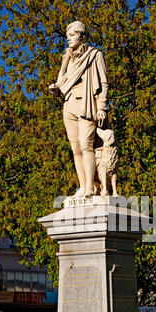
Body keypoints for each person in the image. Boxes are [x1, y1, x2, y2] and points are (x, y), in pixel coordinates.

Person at [49, 21, 108, 197]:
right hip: (69, 104)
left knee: (86, 144)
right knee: (75, 147)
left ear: (81, 36)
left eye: (72, 35)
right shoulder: (69, 58)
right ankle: (82, 187)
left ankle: (91, 187)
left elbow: (104, 82)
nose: (68, 39)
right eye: (67, 36)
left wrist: (102, 106)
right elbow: (62, 82)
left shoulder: (94, 55)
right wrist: (64, 63)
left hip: (87, 103)